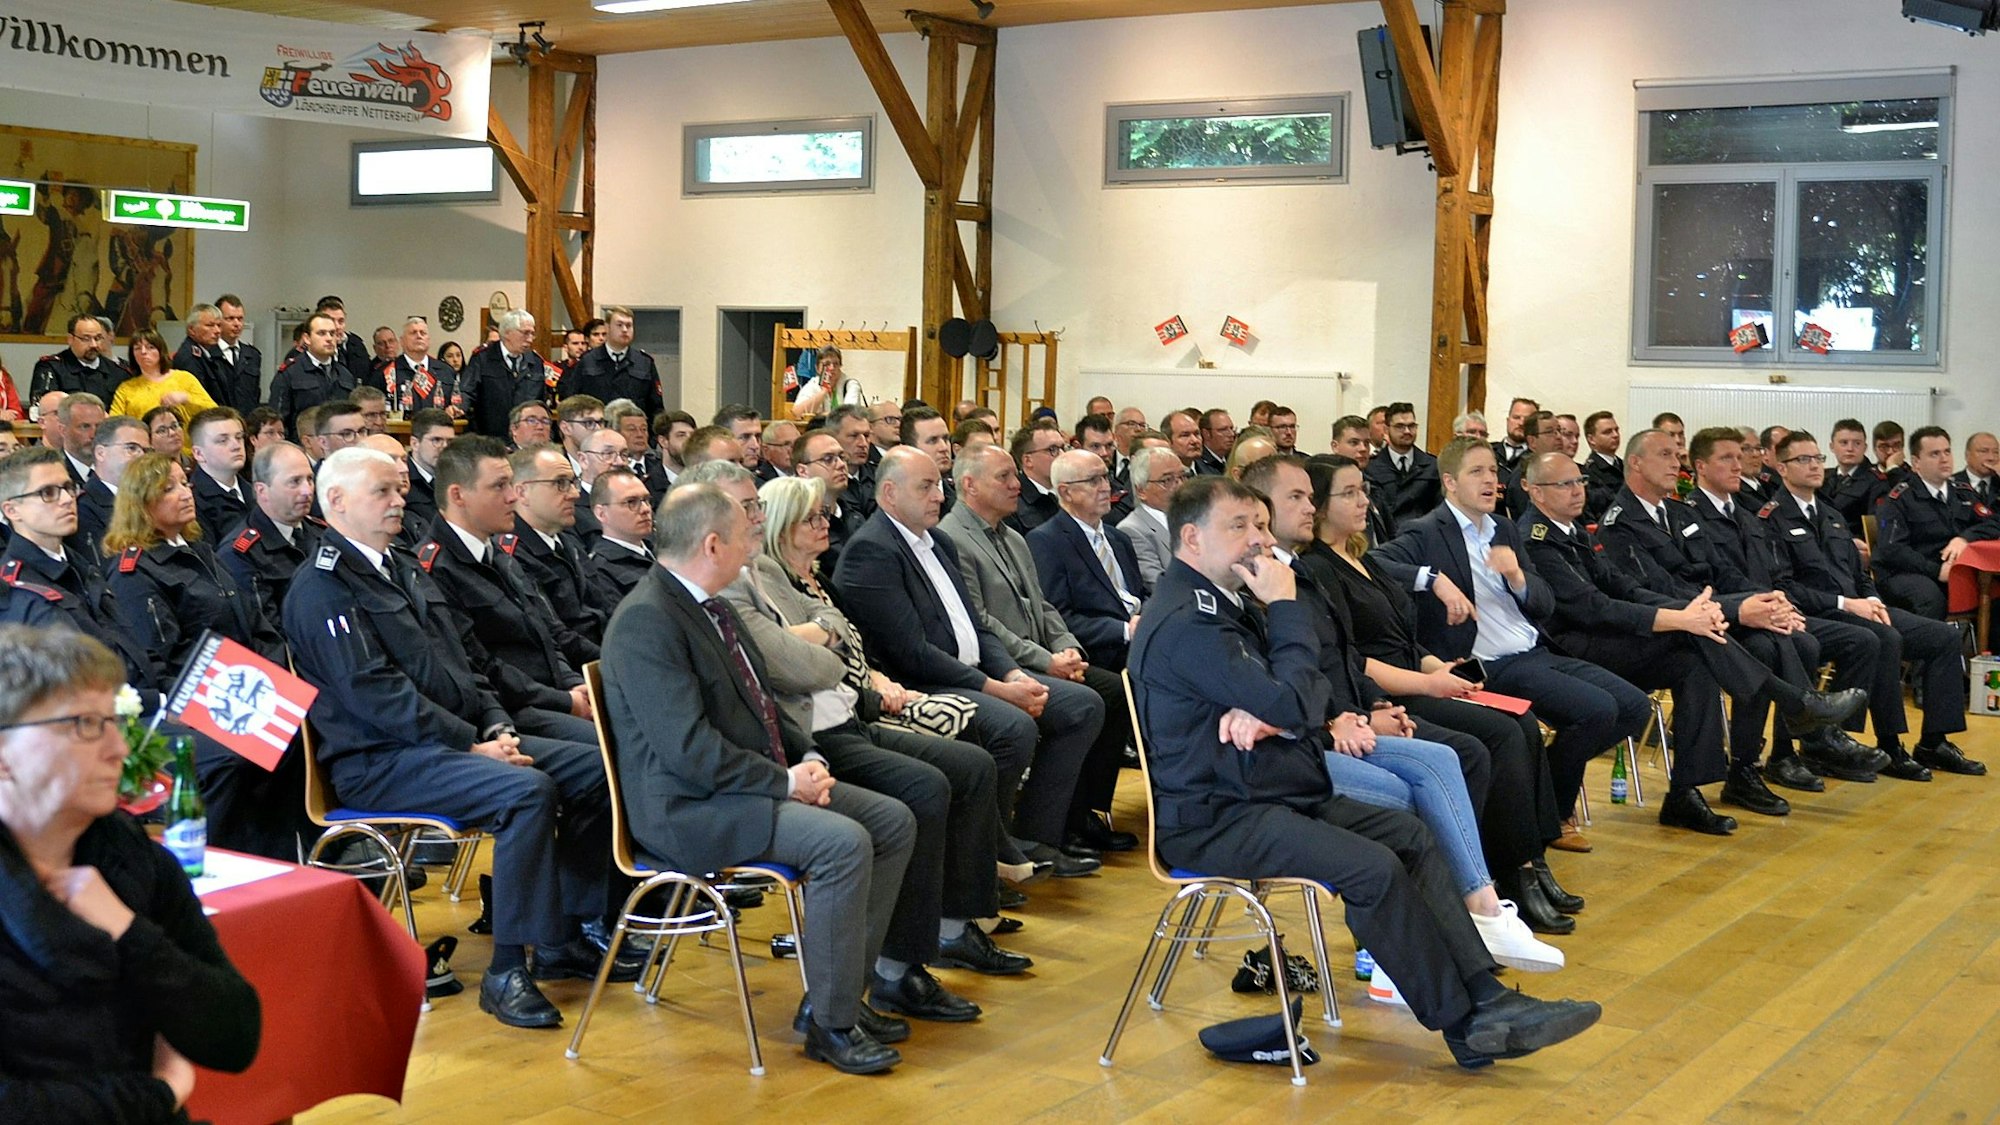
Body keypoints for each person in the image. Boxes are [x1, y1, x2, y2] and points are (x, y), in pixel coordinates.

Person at [1130, 475, 1599, 1068]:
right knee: (1373, 868)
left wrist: (1277, 707)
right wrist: (1284, 614)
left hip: (1272, 789)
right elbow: (1298, 699)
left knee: (1409, 834)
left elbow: (1307, 685)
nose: (1258, 540)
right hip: (1218, 815)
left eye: (1260, 525)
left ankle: (1485, 997)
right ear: (1192, 539)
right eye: (1239, 526)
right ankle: (1465, 1022)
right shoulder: (1189, 621)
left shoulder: (1220, 603)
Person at [283, 447, 627, 1029]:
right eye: (383, 493)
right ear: (336, 501)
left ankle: (561, 934)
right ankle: (505, 969)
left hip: (453, 742)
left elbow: (469, 661)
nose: (399, 501)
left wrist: (496, 725)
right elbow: (376, 695)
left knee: (598, 772)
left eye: (399, 490)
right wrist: (471, 744)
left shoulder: (401, 566)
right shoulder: (322, 588)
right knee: (526, 792)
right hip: (380, 760)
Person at [599, 483, 917, 1074]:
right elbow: (688, 752)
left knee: (891, 820)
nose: (754, 546)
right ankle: (832, 1024)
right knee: (842, 842)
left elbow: (761, 705)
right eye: (747, 534)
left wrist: (810, 758)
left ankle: (838, 991)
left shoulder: (712, 603)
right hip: (687, 808)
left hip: (741, 786)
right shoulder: (648, 620)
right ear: (713, 543)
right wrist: (785, 782)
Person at [711, 466, 1024, 991]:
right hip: (817, 733)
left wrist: (820, 640)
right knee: (925, 788)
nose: (756, 518)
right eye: (748, 509)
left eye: (756, 508)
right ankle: (897, 964)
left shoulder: (765, 573)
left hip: (846, 715)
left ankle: (954, 924)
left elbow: (833, 630)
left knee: (971, 764)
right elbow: (800, 665)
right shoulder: (736, 589)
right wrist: (825, 647)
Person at [1295, 454, 1577, 931]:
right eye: (1350, 493)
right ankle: (1500, 874)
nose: (1365, 500)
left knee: (1523, 725)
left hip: (1416, 675)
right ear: (1320, 507)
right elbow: (1356, 661)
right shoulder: (1320, 569)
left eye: (1364, 489)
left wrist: (1440, 668)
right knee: (1493, 738)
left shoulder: (1359, 558)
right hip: (1388, 690)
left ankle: (1527, 862)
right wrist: (1429, 682)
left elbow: (1405, 640)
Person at [0, 625, 261, 1119]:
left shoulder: (133, 859)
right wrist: (159, 1095)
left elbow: (236, 1036)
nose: (118, 749)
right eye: (83, 725)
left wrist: (127, 931)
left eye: (112, 722)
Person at [1369, 437, 1652, 851]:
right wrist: (1433, 580)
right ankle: (1551, 815)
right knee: (1596, 710)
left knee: (1633, 707)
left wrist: (1517, 577)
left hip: (1534, 649)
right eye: (1476, 472)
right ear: (1449, 482)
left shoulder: (1503, 527)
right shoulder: (1426, 531)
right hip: (1486, 663)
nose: (1491, 480)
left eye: (1493, 471)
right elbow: (1374, 564)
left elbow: (1544, 600)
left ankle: (1546, 798)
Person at [833, 447, 1101, 877]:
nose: (939, 495)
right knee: (1013, 726)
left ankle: (1032, 836)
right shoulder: (872, 551)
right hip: (921, 682)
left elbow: (976, 625)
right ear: (888, 493)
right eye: (925, 487)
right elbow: (911, 652)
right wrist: (997, 689)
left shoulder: (937, 541)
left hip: (976, 668)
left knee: (1081, 705)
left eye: (938, 485)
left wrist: (1013, 672)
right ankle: (983, 860)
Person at [101, 453, 308, 859]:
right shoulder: (135, 573)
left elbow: (255, 625)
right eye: (170, 488)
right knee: (240, 754)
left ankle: (286, 857)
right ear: (141, 503)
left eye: (185, 482)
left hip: (238, 688)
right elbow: (158, 662)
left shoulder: (203, 553)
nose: (185, 493)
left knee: (303, 729)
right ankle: (226, 858)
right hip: (189, 701)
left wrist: (280, 683)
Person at [945, 447, 1136, 856]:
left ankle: (1075, 816)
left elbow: (1043, 605)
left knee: (1112, 690)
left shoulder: (1012, 536)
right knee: (1086, 703)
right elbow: (981, 623)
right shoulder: (954, 539)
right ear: (969, 485)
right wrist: (1044, 659)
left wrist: (1067, 648)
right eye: (1004, 477)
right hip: (1002, 665)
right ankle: (1044, 832)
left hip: (1041, 656)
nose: (1017, 485)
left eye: (1016, 475)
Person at [1766, 431, 1985, 778]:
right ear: (1781, 468)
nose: (1814, 466)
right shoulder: (1772, 518)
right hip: (1817, 613)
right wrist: (1847, 603)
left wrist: (1870, 597)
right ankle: (1872, 743)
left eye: (1818, 458)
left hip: (1858, 607)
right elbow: (1784, 587)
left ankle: (1933, 742)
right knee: (1882, 638)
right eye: (1803, 460)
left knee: (1942, 637)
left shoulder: (1830, 513)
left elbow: (1860, 572)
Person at [417, 437, 599, 739]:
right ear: (458, 495)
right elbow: (479, 664)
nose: (513, 496)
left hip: (552, 696)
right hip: (510, 708)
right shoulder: (436, 568)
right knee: (610, 751)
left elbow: (547, 632)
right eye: (499, 486)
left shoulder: (498, 552)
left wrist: (571, 684)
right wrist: (566, 701)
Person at [1874, 425, 2000, 621]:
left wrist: (1964, 538)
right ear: (1916, 463)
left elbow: (1994, 522)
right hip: (1906, 572)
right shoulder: (1900, 499)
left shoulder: (1962, 492)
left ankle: (1987, 651)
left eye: (1947, 452)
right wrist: (1936, 571)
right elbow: (1893, 550)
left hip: (1954, 570)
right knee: (1930, 598)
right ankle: (1931, 651)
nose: (1944, 459)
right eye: (1934, 454)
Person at [510, 443, 608, 645]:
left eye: (573, 482)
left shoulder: (567, 542)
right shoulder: (512, 554)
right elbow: (555, 636)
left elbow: (604, 607)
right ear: (522, 493)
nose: (574, 494)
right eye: (560, 483)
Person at [219, 441, 322, 628]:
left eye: (309, 479)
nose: (307, 491)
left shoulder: (321, 532)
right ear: (262, 491)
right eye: (294, 482)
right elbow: (267, 634)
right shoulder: (240, 554)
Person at [108, 331, 215, 453]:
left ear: (161, 350)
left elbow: (213, 412)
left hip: (186, 454)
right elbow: (115, 423)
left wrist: (186, 399)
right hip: (146, 455)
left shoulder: (184, 378)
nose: (143, 352)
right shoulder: (126, 388)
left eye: (150, 347)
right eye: (137, 348)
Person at [559, 307, 662, 421]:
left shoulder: (644, 363)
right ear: (607, 328)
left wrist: (653, 438)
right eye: (619, 325)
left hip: (633, 432)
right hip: (597, 431)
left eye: (629, 326)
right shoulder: (587, 361)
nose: (624, 330)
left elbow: (656, 408)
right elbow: (571, 402)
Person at [461, 311, 550, 439]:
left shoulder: (535, 362)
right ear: (507, 332)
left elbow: (541, 401)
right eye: (525, 333)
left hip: (525, 439)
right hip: (490, 437)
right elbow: (467, 391)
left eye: (532, 334)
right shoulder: (483, 358)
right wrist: (459, 408)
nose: (530, 339)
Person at [267, 313, 356, 439]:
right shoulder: (290, 373)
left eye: (332, 333)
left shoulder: (344, 374)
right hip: (302, 448)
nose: (329, 338)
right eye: (321, 333)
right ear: (307, 338)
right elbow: (278, 420)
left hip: (338, 447)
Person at [585, 467, 655, 610]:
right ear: (601, 513)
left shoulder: (663, 550)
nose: (645, 509)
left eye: (646, 500)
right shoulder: (599, 569)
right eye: (631, 502)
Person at [1116, 446, 1184, 590]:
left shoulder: (1191, 517)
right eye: (1167, 480)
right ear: (1141, 490)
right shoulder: (1132, 530)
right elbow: (1157, 584)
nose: (1179, 485)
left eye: (1182, 477)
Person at [186, 408, 248, 537]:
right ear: (199, 453)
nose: (236, 446)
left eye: (239, 437)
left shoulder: (255, 490)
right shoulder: (192, 502)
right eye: (223, 440)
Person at [1006, 422, 1065, 533]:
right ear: (1028, 460)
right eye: (1052, 449)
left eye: (1063, 448)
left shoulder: (1070, 492)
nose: (1062, 455)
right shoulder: (1012, 501)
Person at [213, 294, 263, 415]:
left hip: (246, 421)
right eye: (230, 318)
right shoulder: (209, 354)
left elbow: (255, 394)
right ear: (218, 321)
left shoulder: (252, 355)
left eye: (240, 319)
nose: (237, 324)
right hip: (219, 421)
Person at [1194, 409, 1234, 476]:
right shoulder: (1197, 464)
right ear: (1206, 434)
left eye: (1231, 428)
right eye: (1223, 430)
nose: (1231, 434)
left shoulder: (1233, 458)